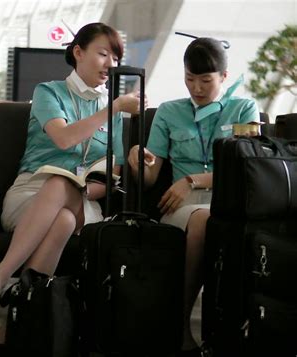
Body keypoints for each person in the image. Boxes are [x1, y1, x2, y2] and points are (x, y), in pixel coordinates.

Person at [0, 22, 144, 348]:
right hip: (30, 194)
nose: (110, 64)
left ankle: (0, 278)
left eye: (115, 58)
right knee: (60, 213)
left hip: (85, 201)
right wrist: (113, 107)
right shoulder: (48, 92)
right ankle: (11, 327)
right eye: (103, 53)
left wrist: (86, 189)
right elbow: (63, 138)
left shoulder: (112, 111)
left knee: (66, 190)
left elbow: (113, 172)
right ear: (78, 52)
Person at [128, 37, 259, 356]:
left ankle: (179, 320)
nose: (197, 88)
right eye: (190, 79)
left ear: (224, 78)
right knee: (200, 219)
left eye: (206, 80)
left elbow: (248, 169)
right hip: (181, 207)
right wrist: (136, 159)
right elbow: (149, 179)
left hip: (229, 202)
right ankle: (182, 325)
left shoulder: (244, 109)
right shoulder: (169, 112)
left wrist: (193, 179)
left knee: (206, 219)